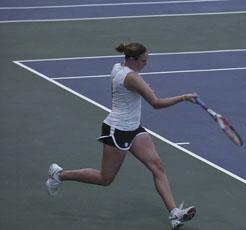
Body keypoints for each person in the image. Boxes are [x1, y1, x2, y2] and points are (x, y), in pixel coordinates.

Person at [46, 42, 197, 229]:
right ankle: (59, 174)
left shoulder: (118, 67)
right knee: (105, 179)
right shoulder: (131, 76)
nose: (146, 64)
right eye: (143, 61)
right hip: (117, 130)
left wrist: (143, 87)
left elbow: (128, 88)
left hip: (134, 128)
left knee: (157, 166)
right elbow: (156, 103)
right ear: (132, 60)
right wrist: (182, 98)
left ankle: (175, 214)